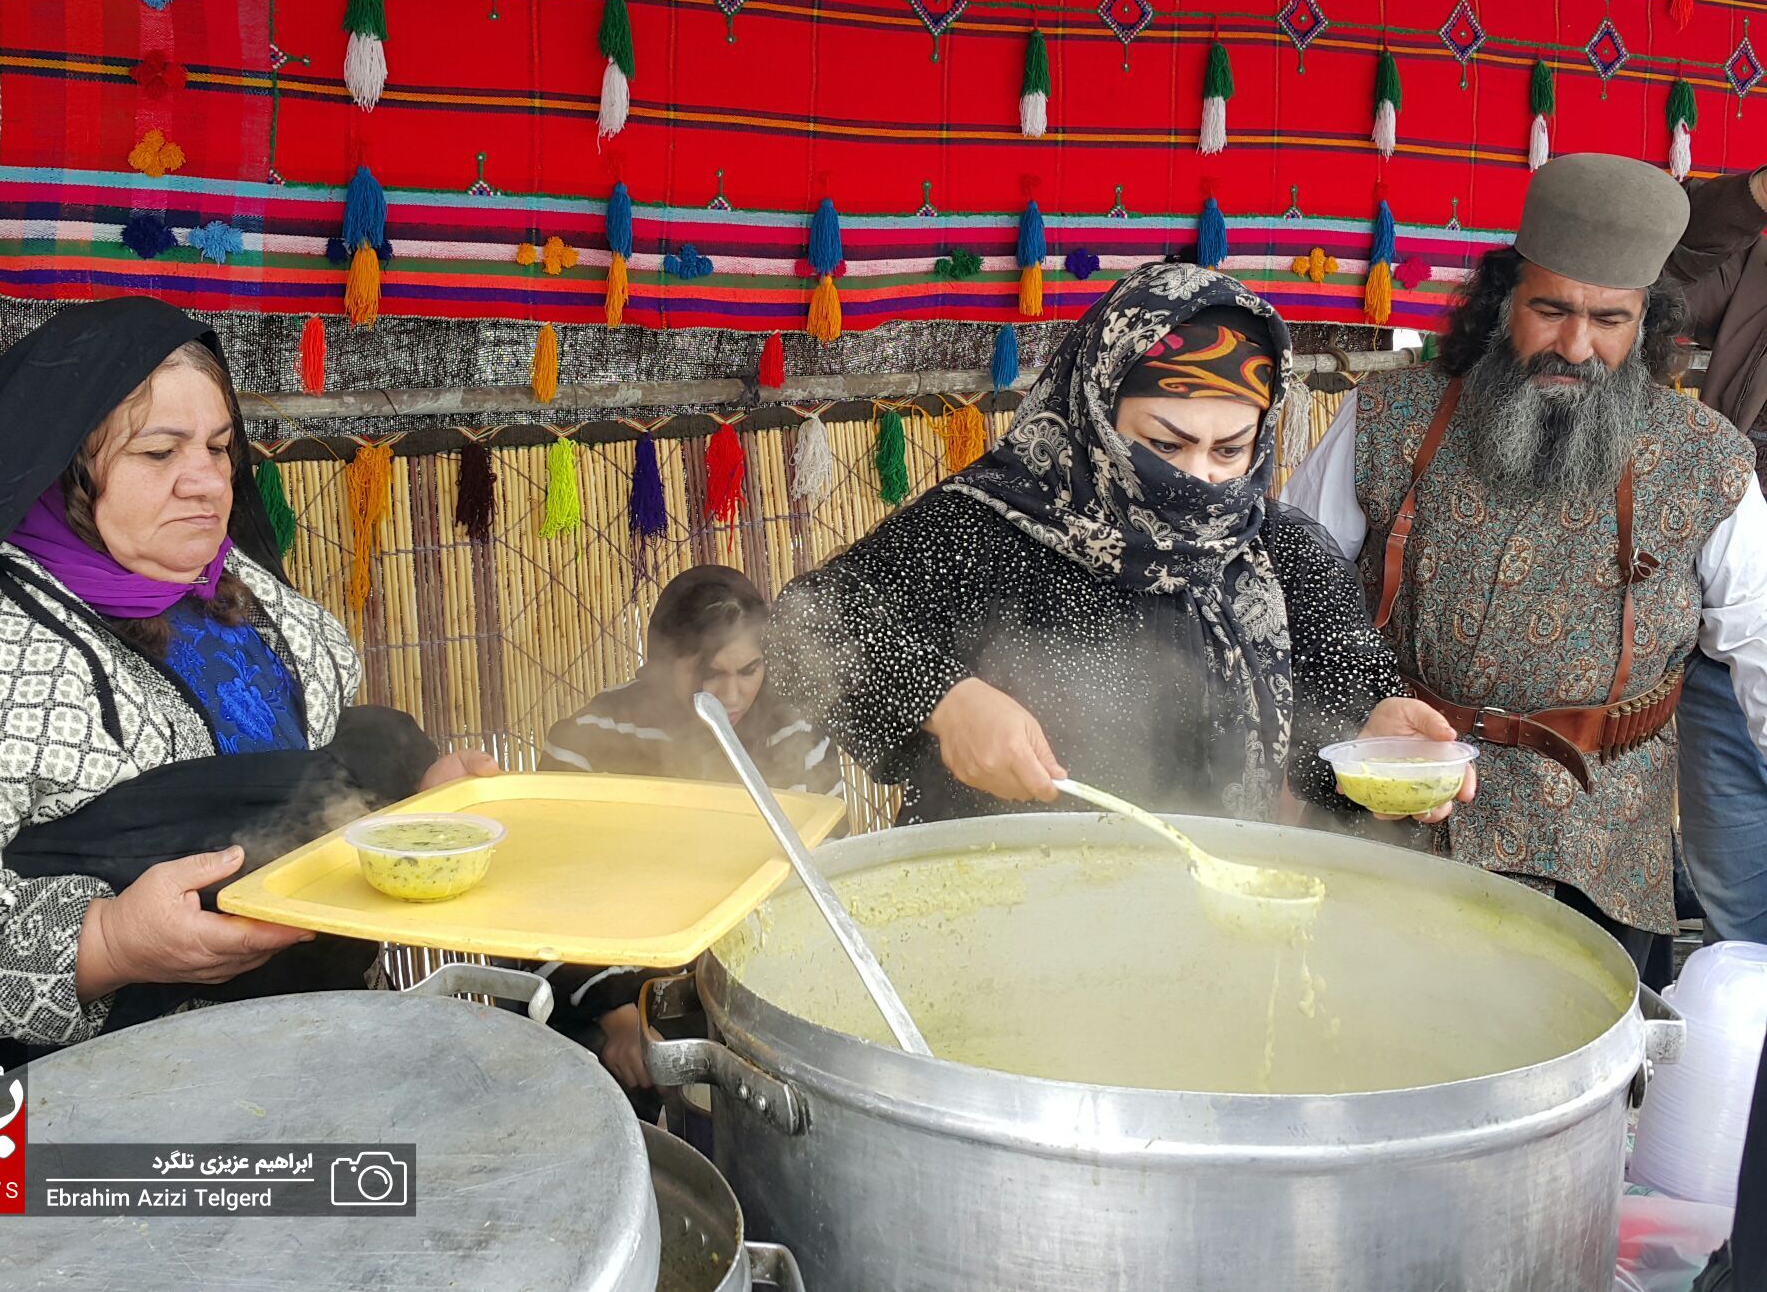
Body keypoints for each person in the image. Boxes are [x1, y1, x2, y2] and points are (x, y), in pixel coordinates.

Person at [0, 297, 485, 1212]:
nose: (205, 481)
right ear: (65, 467)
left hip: (273, 1078)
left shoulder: (241, 598)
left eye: (219, 446)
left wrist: (412, 784)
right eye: (158, 452)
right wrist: (101, 943)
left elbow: (300, 755)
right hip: (63, 1139)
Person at [1281, 153, 1767, 974]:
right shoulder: (1388, 416)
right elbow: (1286, 583)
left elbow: (1760, 647)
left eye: (1610, 320)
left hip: (1598, 849)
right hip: (1389, 813)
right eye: (1550, 309)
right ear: (1504, 298)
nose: (1574, 346)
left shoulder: (1708, 462)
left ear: (1646, 321)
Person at [766, 262, 1464, 832]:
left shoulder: (1278, 553)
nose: (1199, 478)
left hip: (1206, 926)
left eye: (1230, 449)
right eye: (1164, 443)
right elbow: (807, 627)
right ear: (1095, 409)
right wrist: (947, 701)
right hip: (994, 925)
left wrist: (1376, 741)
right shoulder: (992, 525)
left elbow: (1335, 701)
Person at [537, 564, 844, 1098]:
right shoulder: (588, 742)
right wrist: (616, 1016)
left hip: (760, 987)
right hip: (602, 995)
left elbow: (826, 875)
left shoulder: (795, 734)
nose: (731, 694)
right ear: (662, 662)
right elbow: (544, 892)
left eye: (749, 670)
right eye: (709, 674)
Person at [1656, 167, 1767, 946]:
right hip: (1731, 651)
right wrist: (1755, 196)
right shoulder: (1754, 265)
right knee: (1743, 927)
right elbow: (1655, 275)